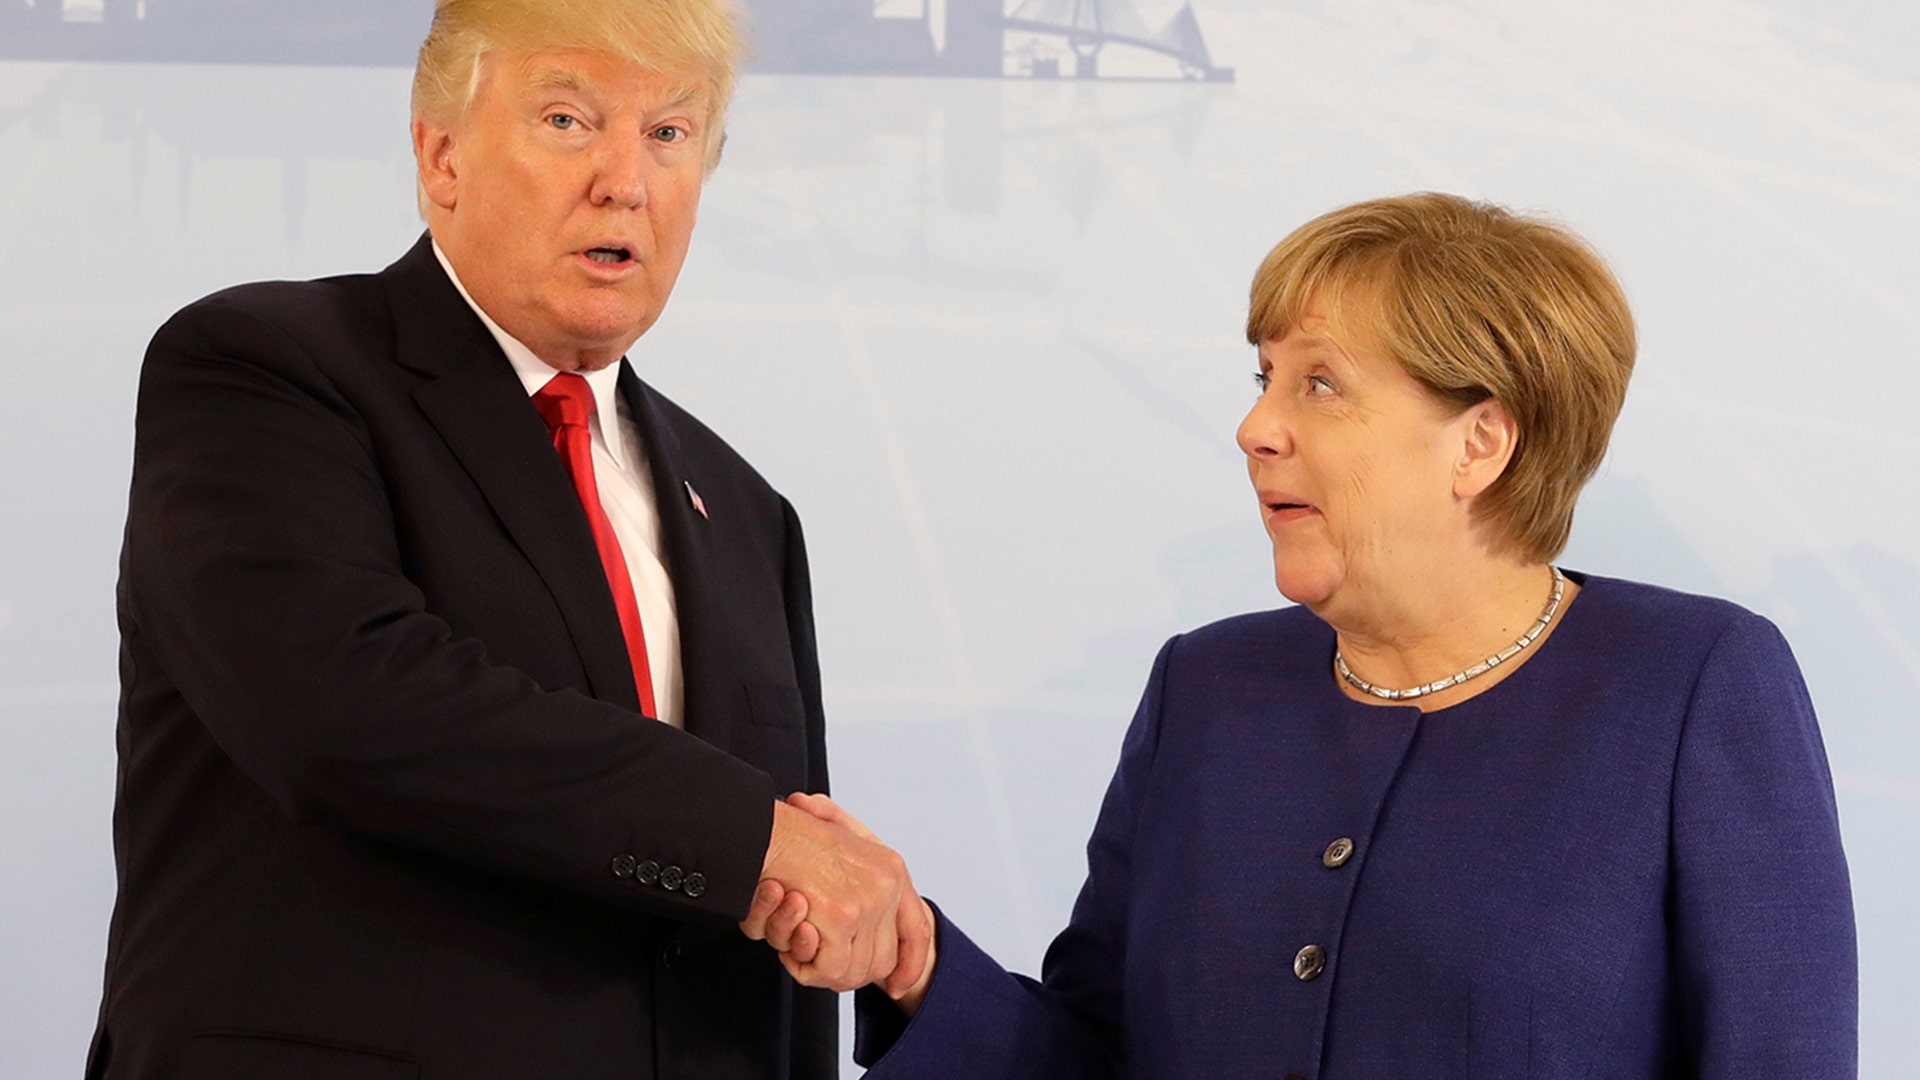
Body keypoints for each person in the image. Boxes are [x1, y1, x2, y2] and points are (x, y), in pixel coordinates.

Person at [754, 193, 1859, 1077]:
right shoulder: (1207, 690)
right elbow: (1095, 1058)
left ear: (1480, 443)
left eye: (1320, 384)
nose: (1254, 427)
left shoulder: (1695, 684)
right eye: (1264, 377)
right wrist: (916, 960)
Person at [85, 2, 929, 1077]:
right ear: (440, 156)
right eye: (570, 120)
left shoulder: (745, 512)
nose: (624, 179)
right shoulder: (267, 371)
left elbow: (767, 920)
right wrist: (752, 838)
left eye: (669, 134)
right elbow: (349, 707)